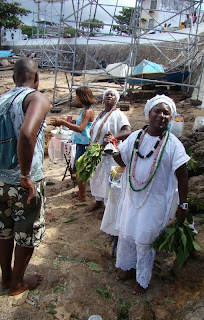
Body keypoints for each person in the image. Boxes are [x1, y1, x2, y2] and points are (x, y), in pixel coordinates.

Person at [106, 94, 190, 295]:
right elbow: (124, 161)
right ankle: (128, 267)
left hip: (154, 201)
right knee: (127, 233)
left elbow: (183, 176)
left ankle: (142, 279)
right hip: (132, 196)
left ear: (171, 117)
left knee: (144, 239)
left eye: (166, 112)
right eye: (157, 111)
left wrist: (183, 204)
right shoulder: (136, 136)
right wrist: (112, 150)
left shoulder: (173, 144)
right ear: (148, 113)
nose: (161, 115)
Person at [0, 57, 50, 296]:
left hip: (0, 182)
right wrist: (25, 174)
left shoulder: (2, 99)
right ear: (37, 79)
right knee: (26, 233)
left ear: (13, 78)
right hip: (23, 182)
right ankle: (17, 284)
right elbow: (27, 134)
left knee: (4, 231)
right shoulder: (36, 98)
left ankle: (6, 278)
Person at [88, 88, 131, 212]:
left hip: (113, 155)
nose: (109, 96)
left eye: (112, 95)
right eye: (107, 94)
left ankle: (110, 209)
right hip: (98, 154)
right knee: (97, 179)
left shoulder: (118, 114)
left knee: (113, 182)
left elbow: (127, 130)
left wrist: (114, 137)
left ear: (116, 100)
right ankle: (98, 202)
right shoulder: (101, 114)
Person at [50, 86, 95, 202]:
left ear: (82, 97)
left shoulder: (88, 111)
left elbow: (80, 128)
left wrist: (63, 122)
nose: (76, 98)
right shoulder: (84, 109)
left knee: (79, 169)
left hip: (84, 143)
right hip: (80, 142)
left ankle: (82, 195)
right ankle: (81, 192)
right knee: (77, 168)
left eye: (77, 96)